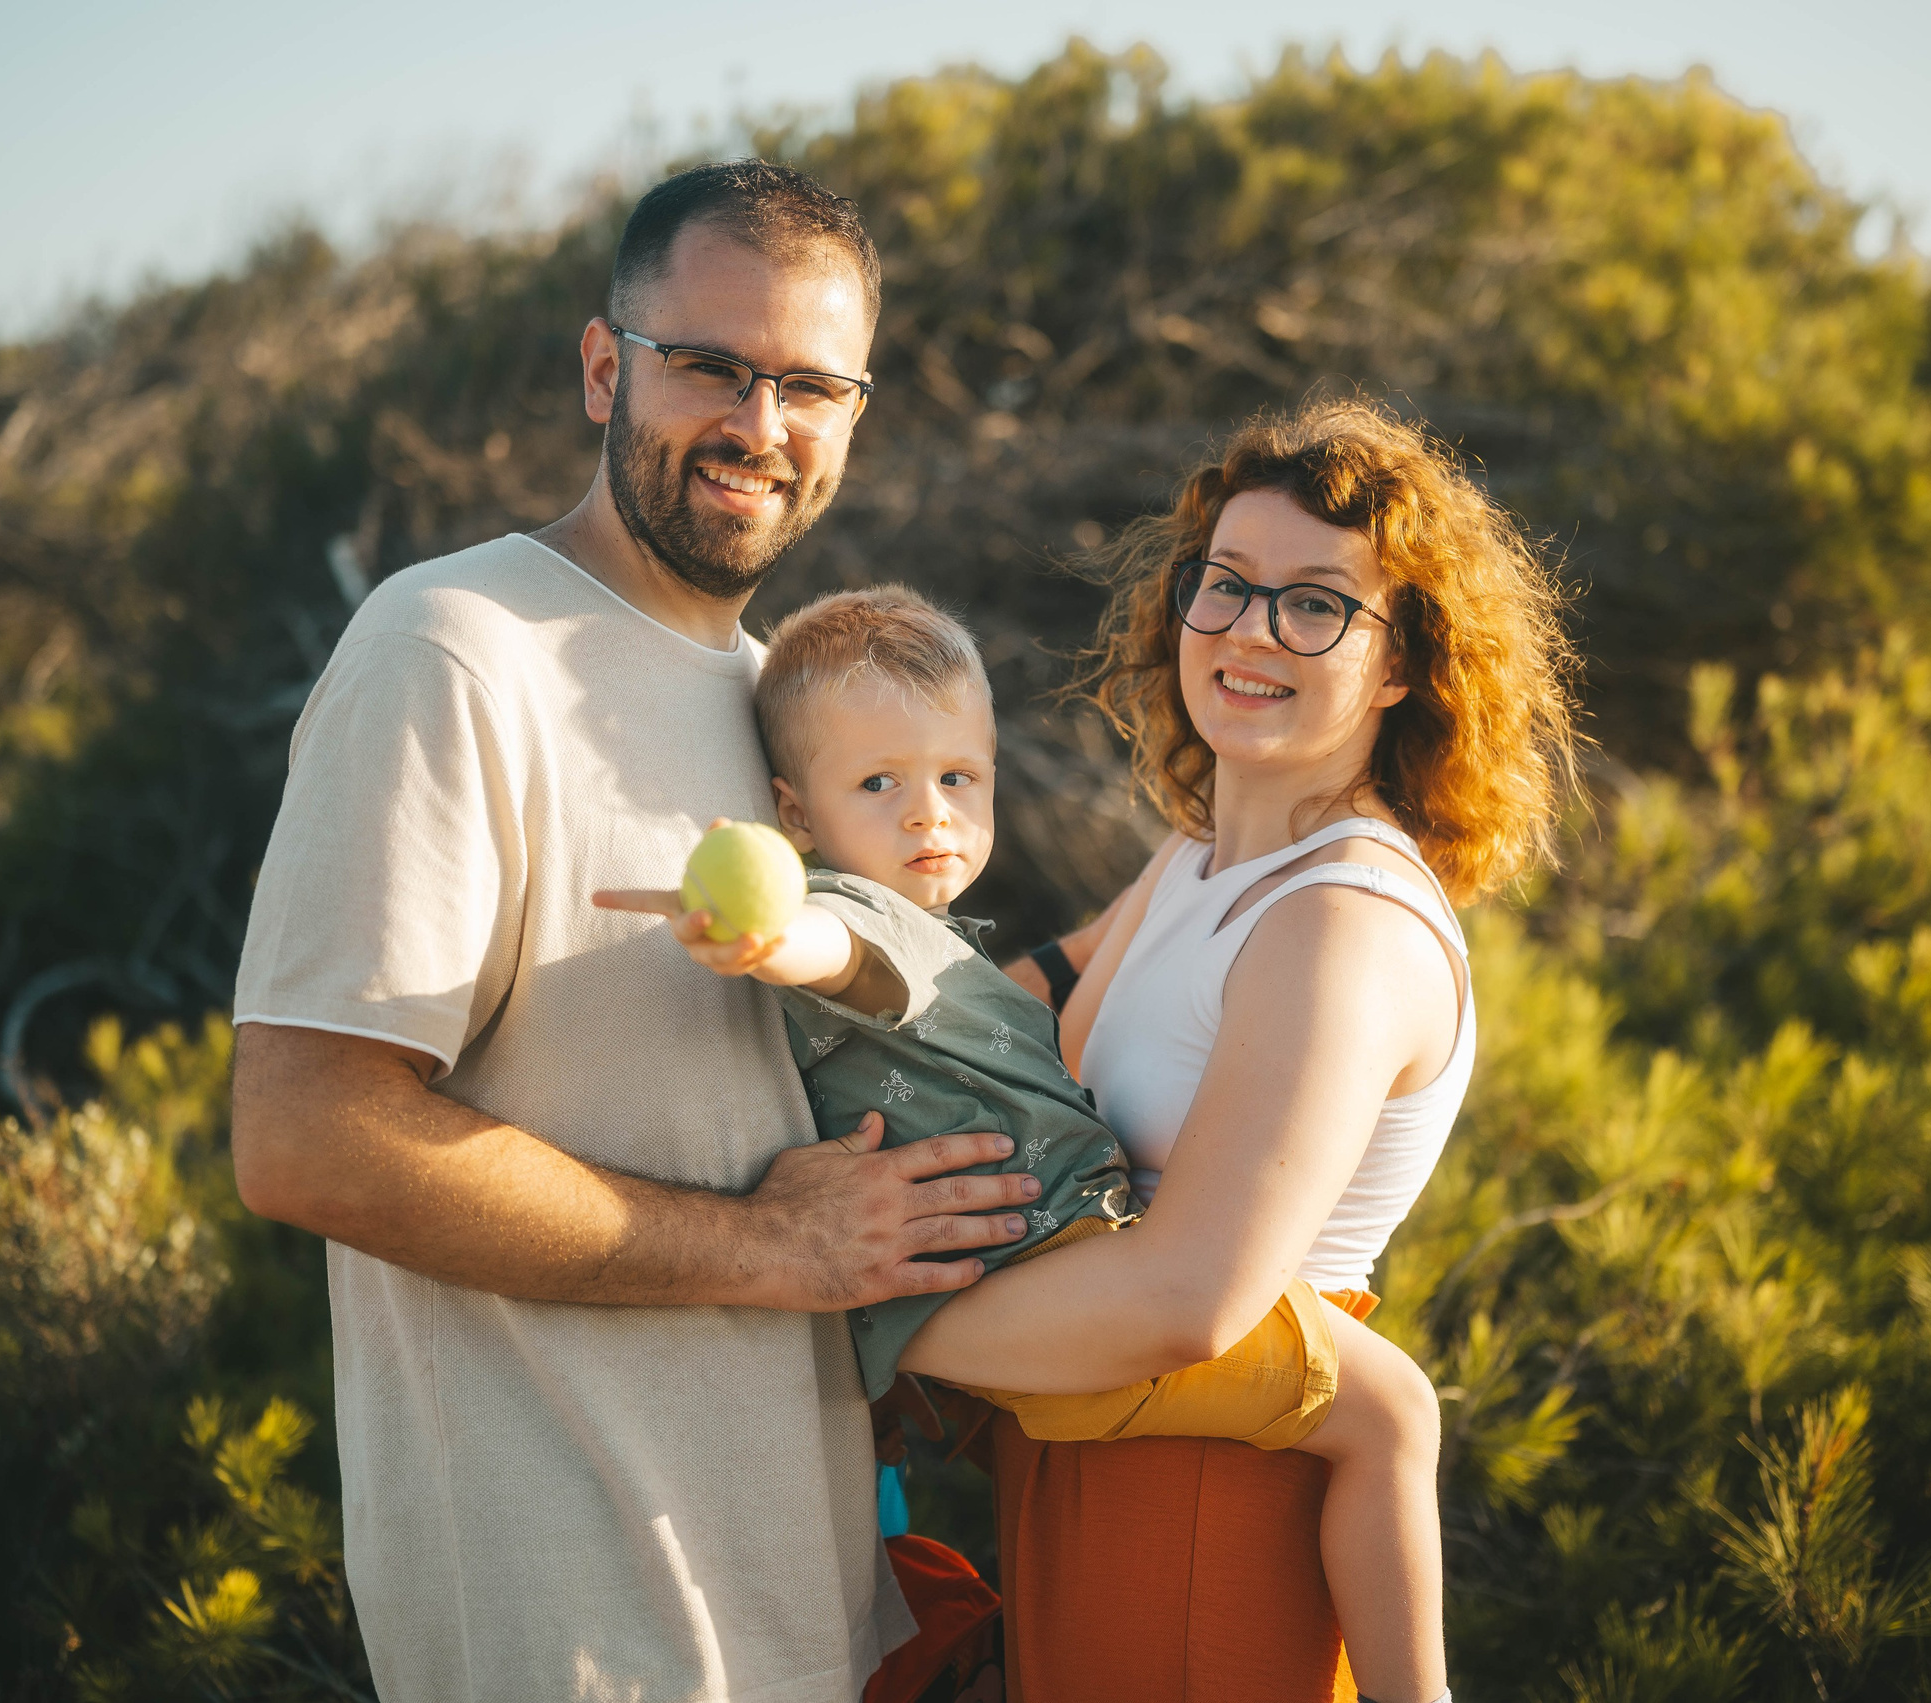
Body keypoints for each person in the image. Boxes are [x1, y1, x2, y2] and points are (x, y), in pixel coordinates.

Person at [227, 161, 1042, 1703]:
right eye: (710, 366)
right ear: (606, 365)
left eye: (810, 383)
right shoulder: (453, 650)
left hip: (814, 1626)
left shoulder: (789, 706)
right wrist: (775, 1244)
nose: (758, 424)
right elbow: (307, 1135)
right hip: (580, 1637)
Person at [596, 585, 1451, 1689]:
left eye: (958, 778)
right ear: (793, 813)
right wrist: (768, 934)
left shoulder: (1184, 865)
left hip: (1029, 1296)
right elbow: (842, 955)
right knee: (1394, 1412)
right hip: (1060, 1280)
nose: (928, 815)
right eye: (878, 784)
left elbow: (1029, 981)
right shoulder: (854, 913)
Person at [896, 397, 1581, 1703]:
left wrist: (852, 1304)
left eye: (1317, 603)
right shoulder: (1203, 858)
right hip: (1087, 1482)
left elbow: (1190, 1299)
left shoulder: (1342, 919)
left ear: (1401, 663)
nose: (1255, 629)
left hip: (1210, 1521)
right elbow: (1045, 987)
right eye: (1229, 583)